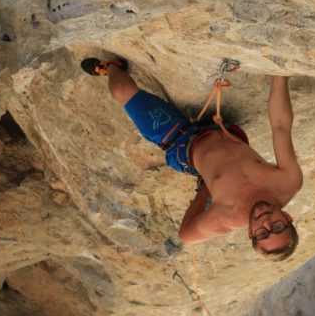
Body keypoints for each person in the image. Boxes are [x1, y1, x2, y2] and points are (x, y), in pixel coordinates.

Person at [81, 57, 303, 260]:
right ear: (287, 218)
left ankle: (110, 68)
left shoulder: (226, 217)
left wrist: (206, 190)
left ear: (250, 233)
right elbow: (281, 127)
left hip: (184, 144)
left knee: (121, 89)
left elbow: (186, 235)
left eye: (262, 233)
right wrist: (279, 71)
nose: (266, 222)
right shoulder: (287, 183)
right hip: (227, 130)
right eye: (277, 227)